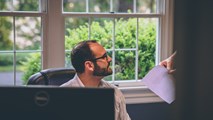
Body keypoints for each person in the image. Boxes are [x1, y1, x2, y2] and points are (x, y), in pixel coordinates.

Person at [60, 40, 176, 120]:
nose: (109, 59)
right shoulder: (62, 97)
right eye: (104, 57)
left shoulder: (114, 92)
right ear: (89, 65)